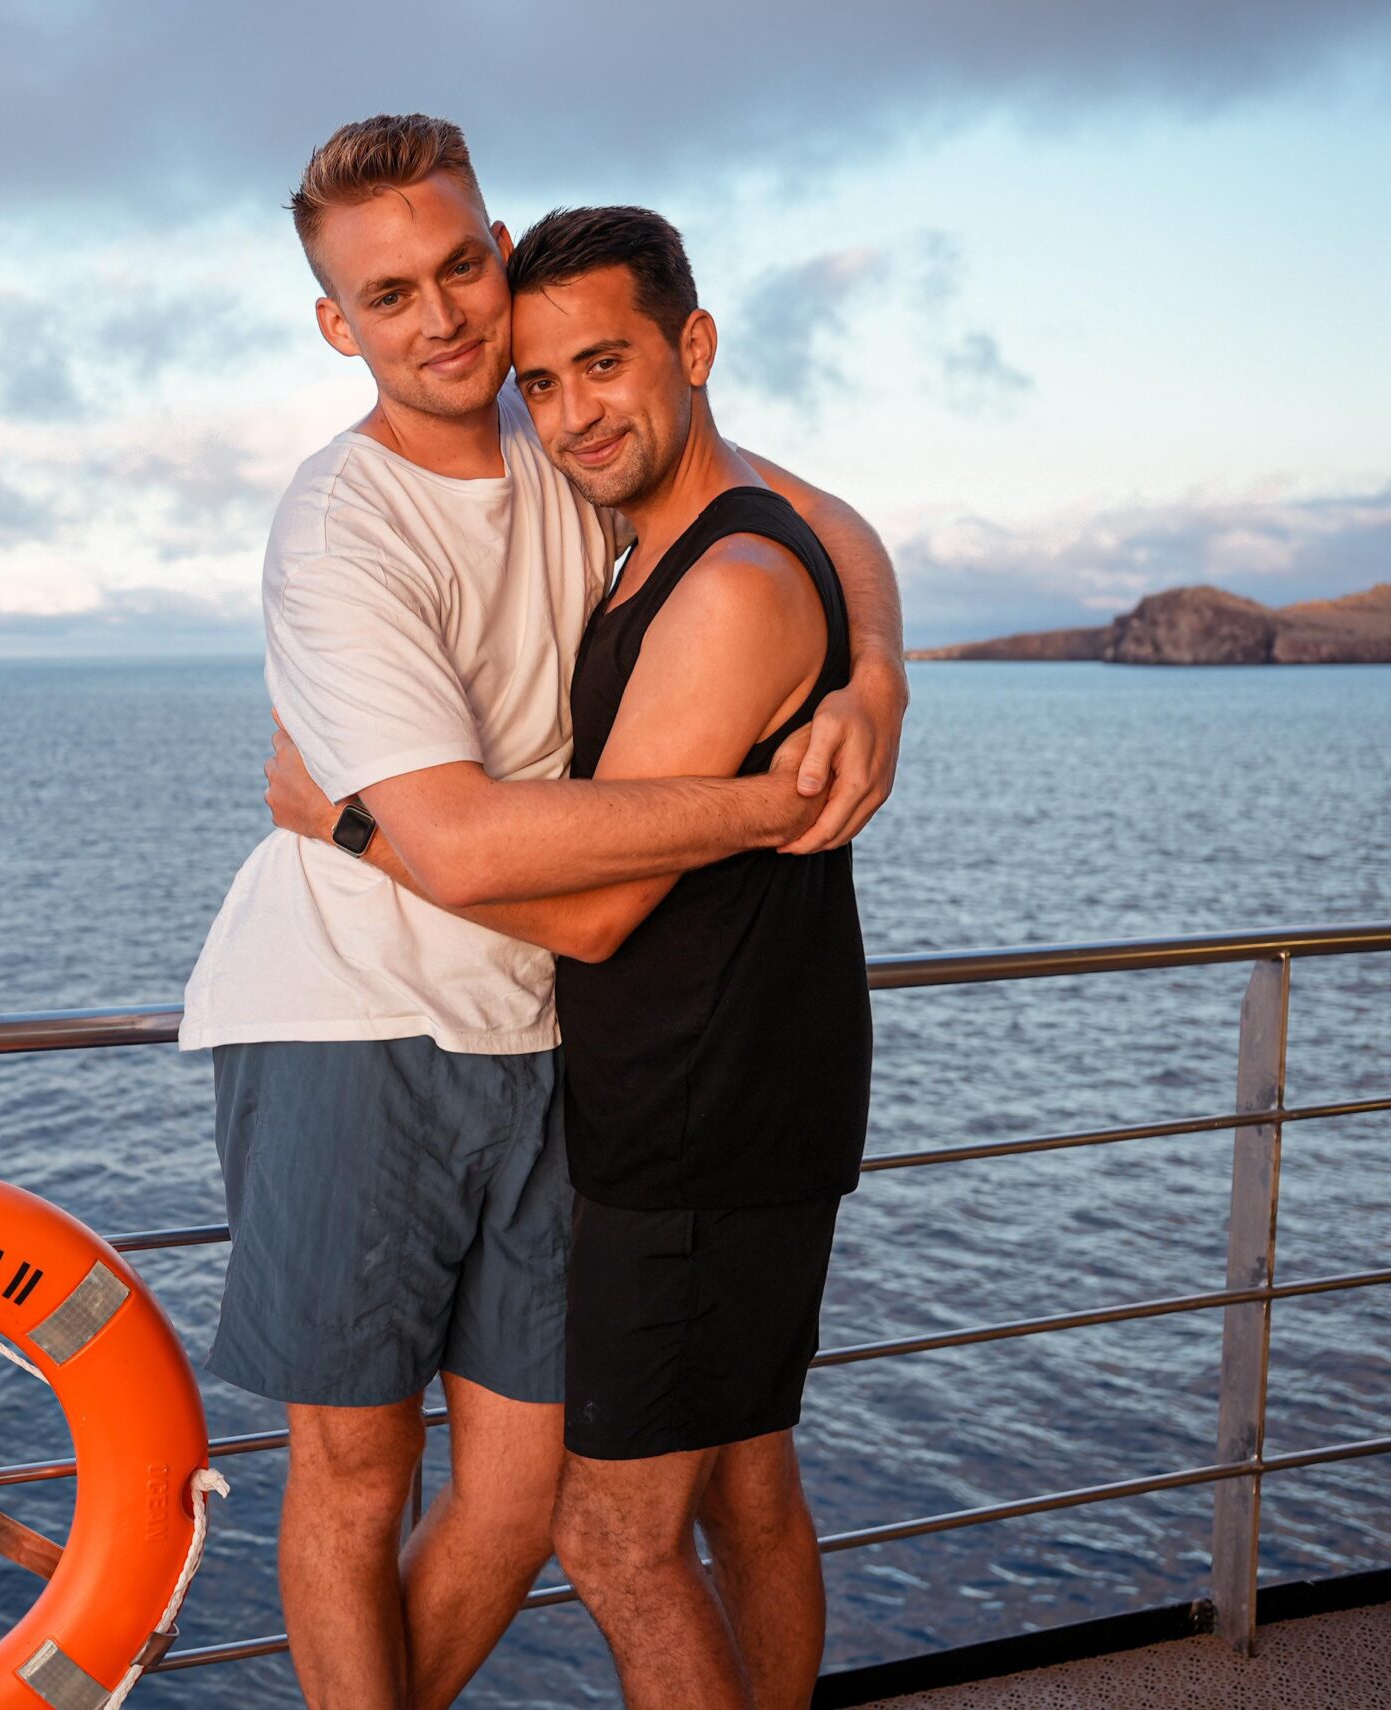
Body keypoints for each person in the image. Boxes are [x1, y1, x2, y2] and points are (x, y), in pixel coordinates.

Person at [181, 114, 905, 1710]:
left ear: (498, 253)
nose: (437, 316)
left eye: (458, 266)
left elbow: (810, 520)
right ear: (336, 325)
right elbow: (458, 843)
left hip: (544, 1039)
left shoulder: (563, 424)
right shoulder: (339, 528)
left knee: (521, 1503)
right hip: (349, 1020)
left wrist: (877, 673)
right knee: (360, 1481)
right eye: (386, 295)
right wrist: (768, 806)